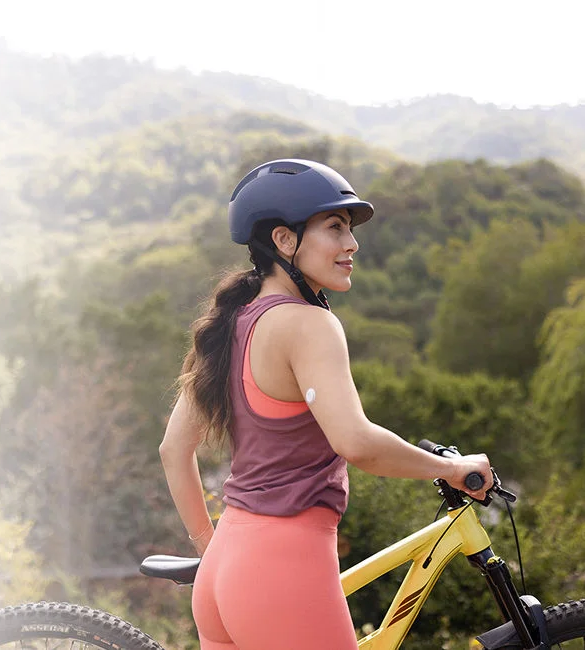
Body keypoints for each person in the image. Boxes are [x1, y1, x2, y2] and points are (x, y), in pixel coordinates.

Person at [158, 159, 494, 650]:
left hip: (226, 569)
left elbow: (173, 449)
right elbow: (356, 442)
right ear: (283, 240)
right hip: (282, 568)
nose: (351, 244)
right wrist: (448, 468)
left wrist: (209, 547)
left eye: (349, 230)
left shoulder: (229, 324)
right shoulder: (309, 325)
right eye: (334, 228)